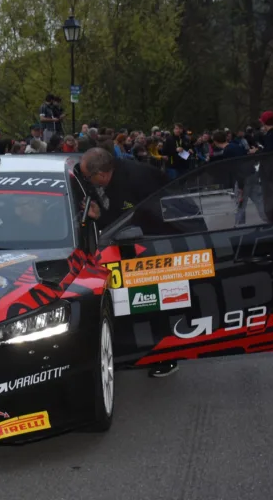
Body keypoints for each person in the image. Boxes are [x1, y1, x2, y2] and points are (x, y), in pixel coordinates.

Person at [76, 147, 175, 377]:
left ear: (101, 173)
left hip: (162, 243)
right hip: (149, 236)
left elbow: (128, 222)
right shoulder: (119, 173)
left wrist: (101, 219)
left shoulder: (131, 182)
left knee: (158, 304)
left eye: (88, 177)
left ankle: (166, 357)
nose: (88, 182)